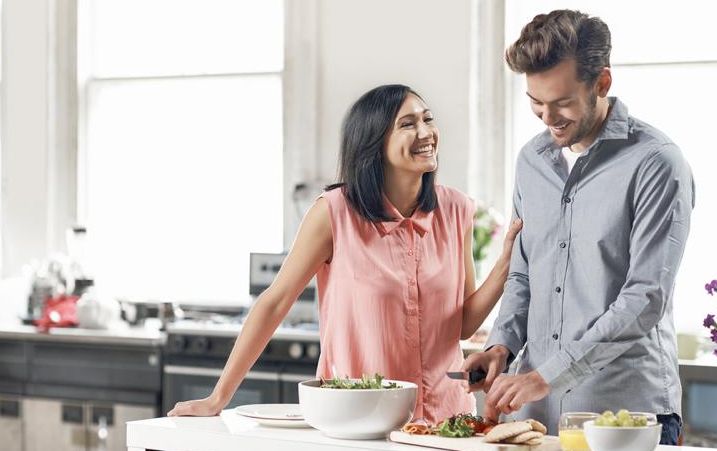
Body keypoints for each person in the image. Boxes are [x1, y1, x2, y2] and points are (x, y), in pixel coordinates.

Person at [168, 84, 522, 424]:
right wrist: (218, 398)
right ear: (374, 142)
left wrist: (506, 265)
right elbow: (275, 302)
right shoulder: (334, 213)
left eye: (427, 119)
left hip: (445, 420)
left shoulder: (456, 209)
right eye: (408, 124)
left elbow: (461, 326)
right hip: (359, 419)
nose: (426, 132)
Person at [461, 9, 694, 444]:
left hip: (626, 413)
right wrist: (503, 345)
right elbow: (523, 272)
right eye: (535, 102)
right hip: (535, 413)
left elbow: (645, 298)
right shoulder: (531, 161)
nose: (548, 117)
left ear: (602, 83)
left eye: (562, 102)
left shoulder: (657, 163)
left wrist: (547, 375)